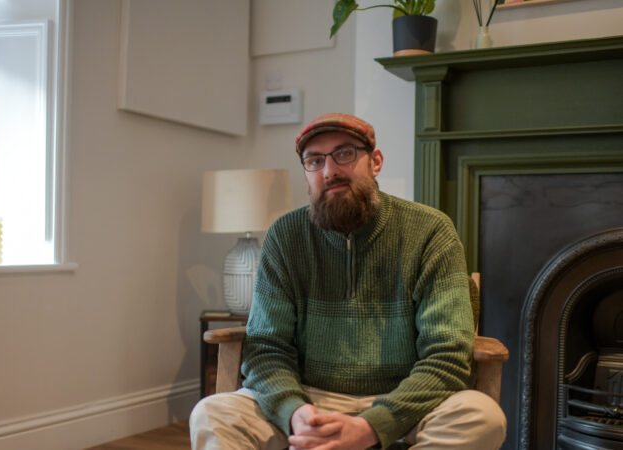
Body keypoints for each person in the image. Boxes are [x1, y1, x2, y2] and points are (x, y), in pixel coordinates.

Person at [190, 113, 507, 449]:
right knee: (212, 414)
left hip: (405, 400)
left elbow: (448, 354)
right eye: (315, 160)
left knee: (482, 417)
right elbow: (267, 349)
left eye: (345, 154)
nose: (329, 171)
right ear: (307, 173)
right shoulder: (285, 237)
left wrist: (373, 426)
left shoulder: (430, 232)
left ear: (376, 161)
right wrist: (297, 413)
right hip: (307, 399)